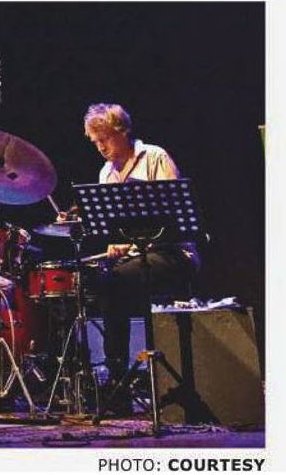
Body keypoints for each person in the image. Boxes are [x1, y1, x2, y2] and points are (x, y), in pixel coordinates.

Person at [78, 103, 199, 413]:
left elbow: (173, 219)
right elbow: (115, 228)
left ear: (122, 132)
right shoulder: (106, 173)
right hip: (136, 258)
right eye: (95, 142)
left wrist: (131, 242)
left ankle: (118, 379)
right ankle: (115, 376)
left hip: (171, 253)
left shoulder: (154, 157)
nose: (100, 147)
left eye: (105, 138)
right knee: (99, 278)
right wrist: (116, 243)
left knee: (113, 281)